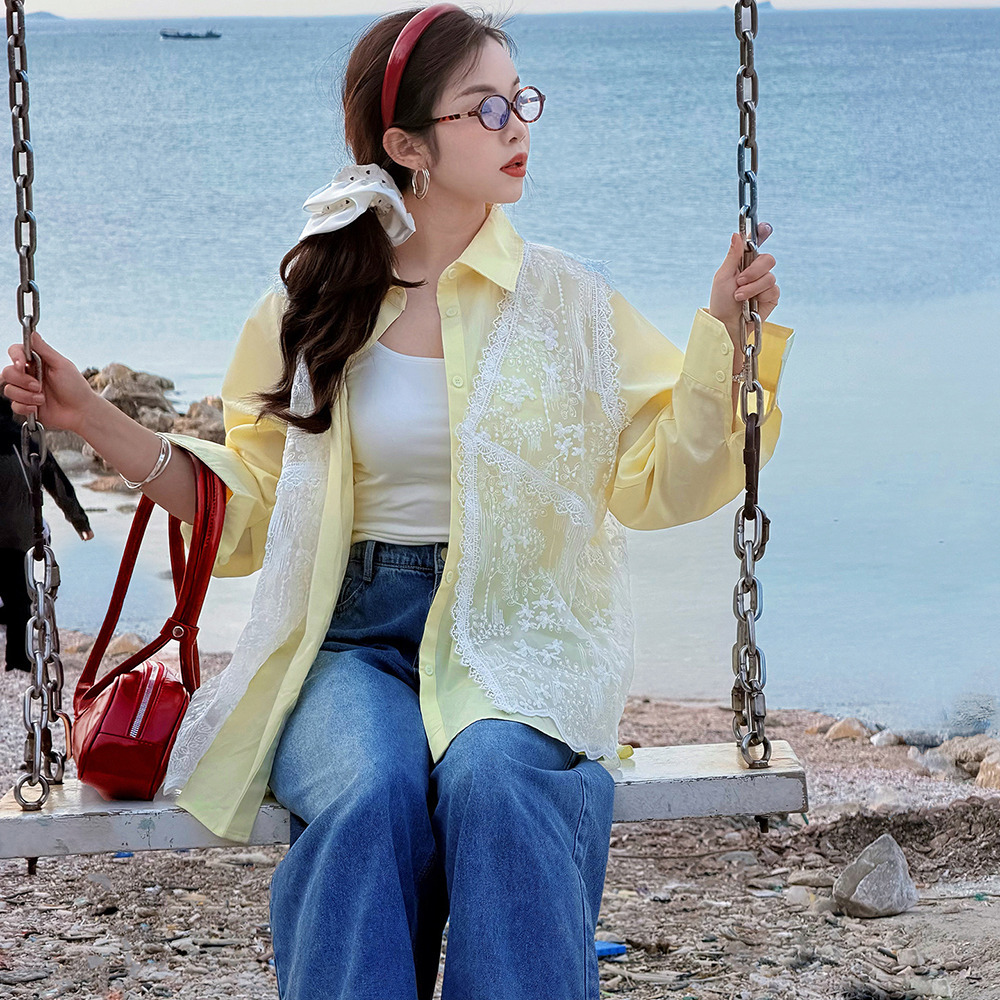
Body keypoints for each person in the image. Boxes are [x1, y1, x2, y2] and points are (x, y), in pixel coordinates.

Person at [1, 5, 792, 997]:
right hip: (347, 635)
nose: (516, 127)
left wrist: (724, 335)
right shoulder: (310, 303)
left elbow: (660, 479)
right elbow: (249, 508)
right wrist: (89, 417)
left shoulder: (568, 303)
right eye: (484, 107)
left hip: (519, 629)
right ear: (407, 146)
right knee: (367, 789)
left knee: (499, 782)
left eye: (520, 99)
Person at [0, 393, 94, 673]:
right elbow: (58, 483)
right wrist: (81, 523)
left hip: (13, 535)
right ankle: (18, 661)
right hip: (20, 536)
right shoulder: (28, 441)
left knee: (15, 599)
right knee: (20, 599)